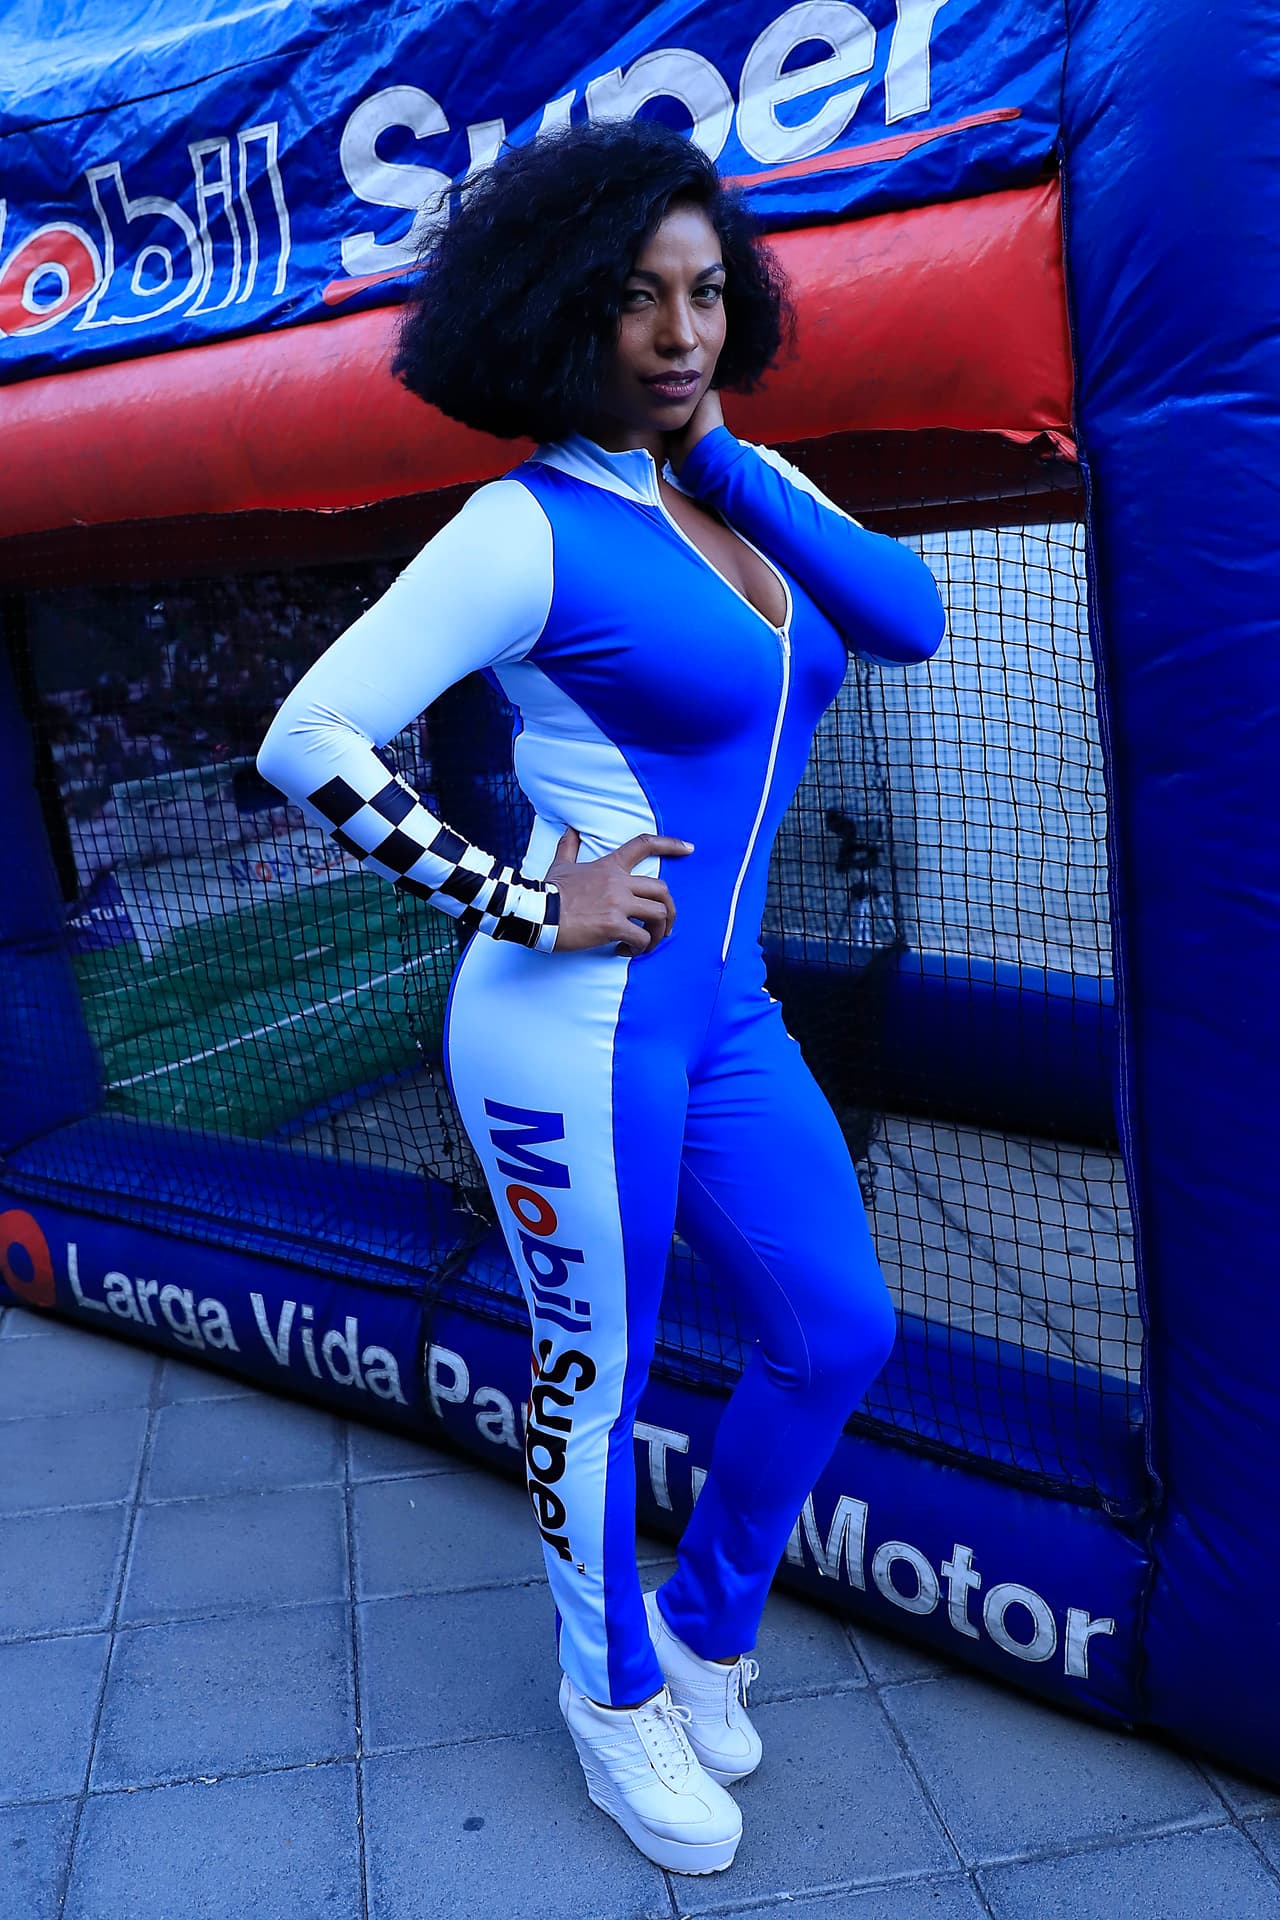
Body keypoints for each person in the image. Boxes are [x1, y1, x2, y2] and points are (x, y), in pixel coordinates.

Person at [256, 117, 945, 1876]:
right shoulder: (524, 524)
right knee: (599, 1370)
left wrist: (732, 455)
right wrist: (513, 890)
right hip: (573, 1025)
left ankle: (709, 1631)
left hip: (727, 1016)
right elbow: (307, 736)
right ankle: (609, 1687)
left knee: (835, 1327)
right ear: (564, 311)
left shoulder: (731, 490)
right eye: (638, 299)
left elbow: (912, 614)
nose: (680, 333)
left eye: (709, 294)